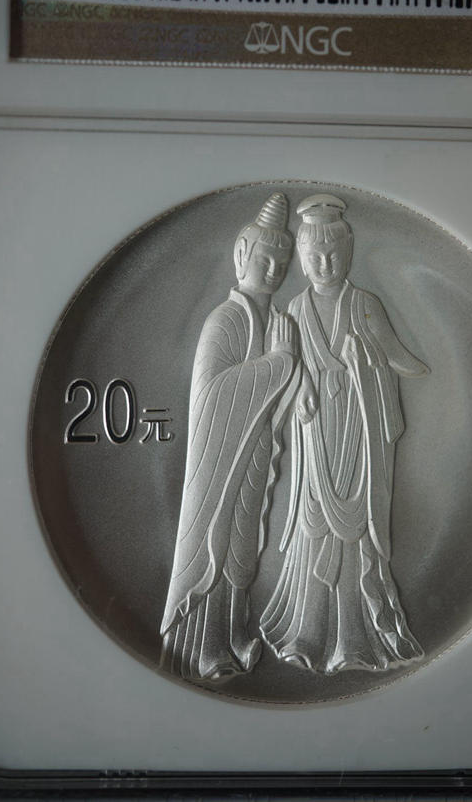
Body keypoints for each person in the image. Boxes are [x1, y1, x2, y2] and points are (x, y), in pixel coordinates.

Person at [260, 194, 427, 674]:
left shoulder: (364, 305)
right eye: (314, 255)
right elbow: (282, 370)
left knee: (356, 535)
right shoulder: (294, 309)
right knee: (314, 525)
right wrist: (301, 386)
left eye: (333, 254)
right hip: (315, 439)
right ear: (301, 257)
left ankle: (356, 638)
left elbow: (400, 360)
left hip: (357, 432)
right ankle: (307, 630)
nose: (324, 264)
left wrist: (366, 364)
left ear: (349, 252)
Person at [160, 193, 299, 681]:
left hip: (253, 450)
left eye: (283, 261)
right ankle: (200, 647)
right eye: (265, 258)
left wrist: (290, 375)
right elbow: (214, 395)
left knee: (241, 548)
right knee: (214, 547)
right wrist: (278, 363)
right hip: (217, 458)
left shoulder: (276, 321)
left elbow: (283, 390)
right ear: (242, 255)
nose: (274, 269)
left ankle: (231, 633)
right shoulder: (225, 319)